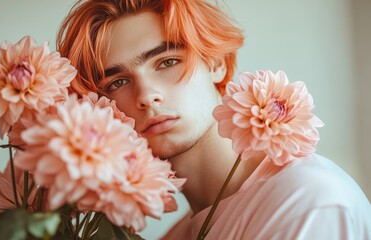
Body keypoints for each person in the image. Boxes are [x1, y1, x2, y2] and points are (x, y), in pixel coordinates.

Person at [56, 0, 371, 239]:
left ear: (216, 63)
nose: (146, 95)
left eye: (167, 61)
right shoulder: (180, 232)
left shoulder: (307, 201)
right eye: (117, 82)